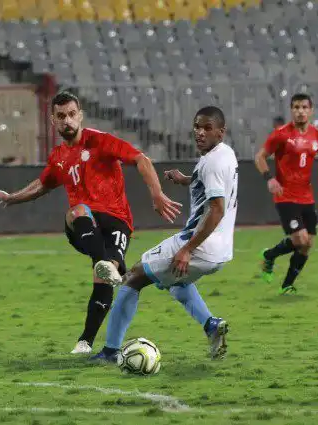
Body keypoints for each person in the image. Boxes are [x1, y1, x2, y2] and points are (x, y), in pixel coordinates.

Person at [0, 91, 181, 355]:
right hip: (84, 223)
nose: (67, 120)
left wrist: (157, 194)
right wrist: (12, 198)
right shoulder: (58, 156)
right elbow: (42, 184)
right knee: (78, 211)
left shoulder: (101, 141)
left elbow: (141, 159)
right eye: (61, 116)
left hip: (117, 222)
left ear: (80, 116)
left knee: (103, 279)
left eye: (71, 114)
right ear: (53, 121)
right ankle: (107, 263)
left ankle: (85, 342)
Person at [91, 106, 237, 362]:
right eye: (197, 127)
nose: (200, 133)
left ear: (220, 132)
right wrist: (187, 179)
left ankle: (110, 352)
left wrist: (187, 250)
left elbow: (217, 209)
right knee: (177, 282)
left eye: (207, 128)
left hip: (200, 244)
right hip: (222, 250)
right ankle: (211, 325)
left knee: (134, 277)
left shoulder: (211, 163)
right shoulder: (225, 154)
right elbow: (214, 180)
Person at [255, 93, 318, 294]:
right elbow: (260, 157)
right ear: (291, 110)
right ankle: (269, 256)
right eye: (296, 107)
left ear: (311, 110)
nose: (300, 111)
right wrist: (269, 178)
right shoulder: (281, 134)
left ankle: (287, 285)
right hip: (285, 195)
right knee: (300, 239)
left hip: (307, 196)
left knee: (307, 244)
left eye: (304, 107)